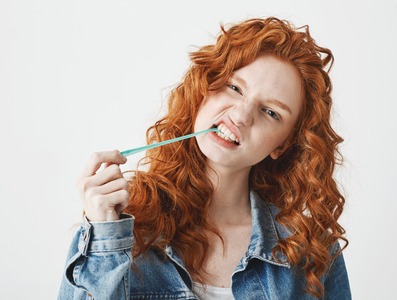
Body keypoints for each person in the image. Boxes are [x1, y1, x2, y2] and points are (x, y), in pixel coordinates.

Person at [58, 17, 351, 300]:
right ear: (204, 89)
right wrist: (105, 236)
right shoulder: (117, 224)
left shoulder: (312, 249)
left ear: (282, 145)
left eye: (271, 112)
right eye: (234, 87)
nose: (240, 115)